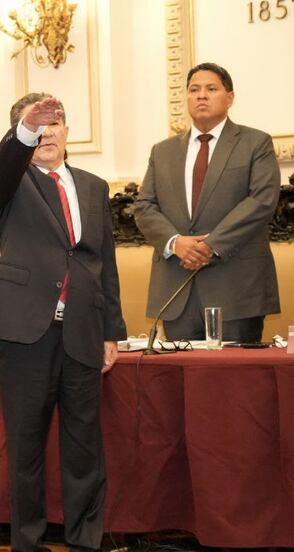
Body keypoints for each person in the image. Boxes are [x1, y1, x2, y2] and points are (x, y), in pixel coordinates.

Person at [0, 93, 126, 552]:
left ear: (69, 131)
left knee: (86, 454)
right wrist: (23, 129)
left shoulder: (94, 187)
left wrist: (111, 331)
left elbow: (106, 265)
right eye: (39, 124)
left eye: (57, 122)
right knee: (27, 453)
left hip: (82, 331)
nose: (49, 131)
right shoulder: (10, 180)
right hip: (25, 334)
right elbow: (0, 169)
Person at [134, 62, 280, 343]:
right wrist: (177, 243)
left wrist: (208, 246)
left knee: (235, 385)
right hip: (177, 290)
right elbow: (144, 206)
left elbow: (261, 201)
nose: (201, 95)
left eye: (211, 89)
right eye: (194, 89)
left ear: (230, 97)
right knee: (181, 384)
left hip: (237, 289)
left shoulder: (255, 143)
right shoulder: (162, 151)